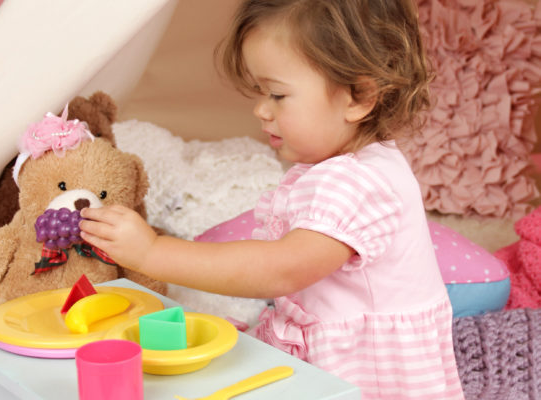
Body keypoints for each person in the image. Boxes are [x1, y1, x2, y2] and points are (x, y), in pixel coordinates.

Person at [80, 0, 464, 398]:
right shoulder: (355, 164)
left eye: (278, 95)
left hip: (370, 377)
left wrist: (153, 253)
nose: (261, 110)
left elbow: (281, 269)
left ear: (359, 97)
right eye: (261, 92)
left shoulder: (357, 181)